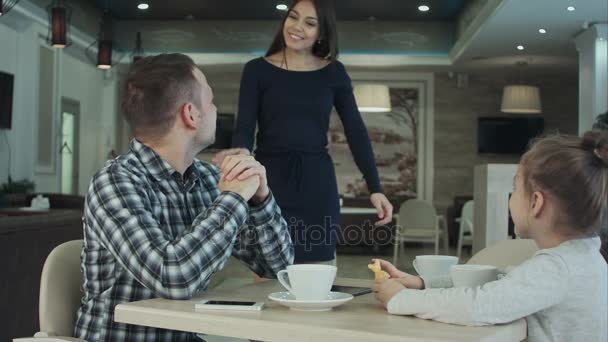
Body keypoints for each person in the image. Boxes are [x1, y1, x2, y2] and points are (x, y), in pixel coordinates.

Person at [74, 54, 294, 341]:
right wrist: (234, 199)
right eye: (211, 101)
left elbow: (278, 269)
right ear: (191, 114)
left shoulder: (206, 179)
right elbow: (173, 278)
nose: (215, 110)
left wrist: (260, 200)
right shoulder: (115, 182)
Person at [372, 132, 608, 342]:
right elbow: (505, 283)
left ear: (536, 203)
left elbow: (478, 306)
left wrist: (401, 298)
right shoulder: (584, 257)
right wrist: (424, 284)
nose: (511, 197)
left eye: (514, 188)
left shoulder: (557, 268)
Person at [213, 0, 393, 264]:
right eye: (293, 17)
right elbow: (244, 130)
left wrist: (375, 188)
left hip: (317, 183)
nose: (297, 27)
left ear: (322, 32)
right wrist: (238, 166)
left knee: (319, 268)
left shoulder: (334, 72)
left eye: (309, 23)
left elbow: (356, 131)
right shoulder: (256, 70)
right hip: (269, 185)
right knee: (268, 270)